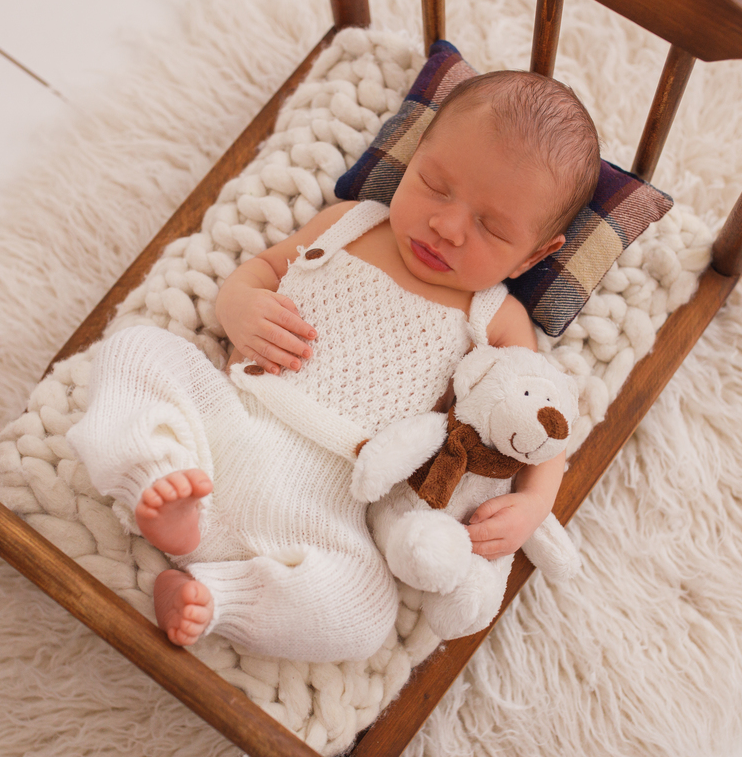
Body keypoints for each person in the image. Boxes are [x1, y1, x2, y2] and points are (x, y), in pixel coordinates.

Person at [67, 70, 601, 662]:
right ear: (416, 151)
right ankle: (159, 481)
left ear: (535, 255)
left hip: (327, 504)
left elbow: (543, 430)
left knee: (365, 615)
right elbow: (262, 270)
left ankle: (215, 597)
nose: (446, 226)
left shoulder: (496, 319)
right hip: (221, 427)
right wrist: (240, 305)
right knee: (138, 349)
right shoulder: (351, 223)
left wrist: (533, 506)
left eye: (491, 228)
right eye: (435, 185)